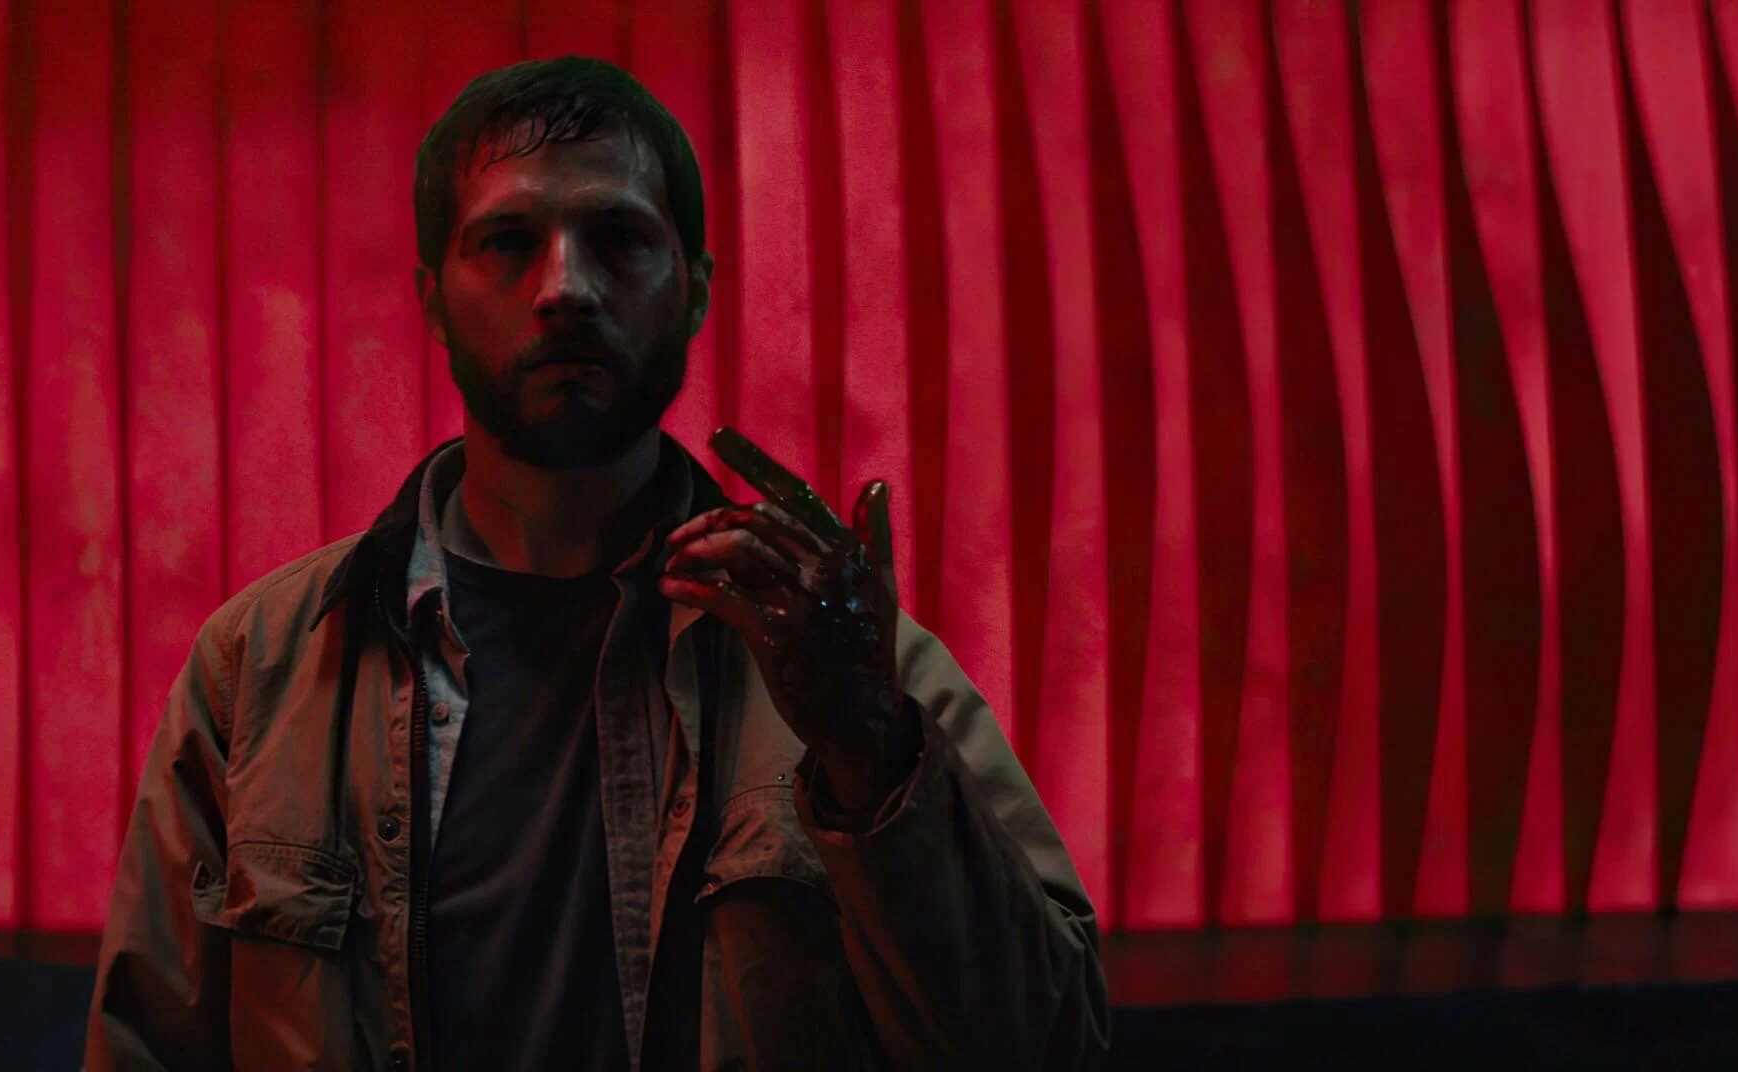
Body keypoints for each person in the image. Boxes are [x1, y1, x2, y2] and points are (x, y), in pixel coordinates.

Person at [86, 55, 1107, 1071]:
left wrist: (871, 753)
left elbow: (1050, 1050)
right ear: (433, 301)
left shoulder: (834, 658)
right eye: (508, 242)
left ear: (694, 292)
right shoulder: (261, 667)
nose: (566, 287)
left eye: (618, 239)